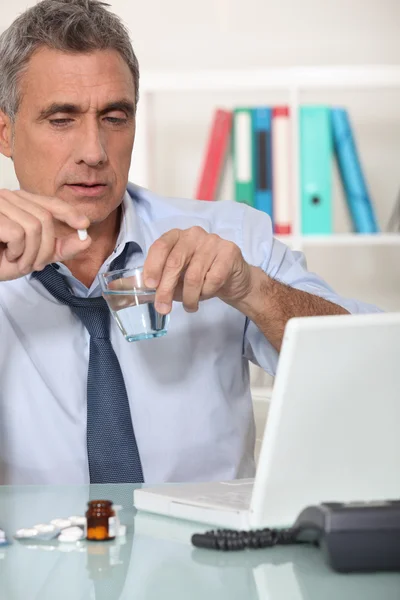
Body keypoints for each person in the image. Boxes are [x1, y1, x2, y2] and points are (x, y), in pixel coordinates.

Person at [0, 0, 381, 486]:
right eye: (61, 119)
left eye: (115, 117)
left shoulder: (232, 238)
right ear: (5, 132)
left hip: (210, 557)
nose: (94, 152)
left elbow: (376, 372)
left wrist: (253, 290)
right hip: (30, 558)